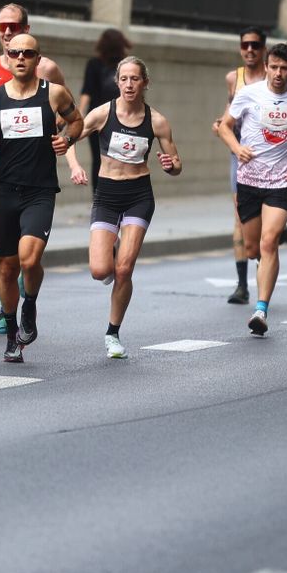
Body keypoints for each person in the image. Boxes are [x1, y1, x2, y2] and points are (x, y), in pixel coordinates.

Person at [0, 3, 86, 335]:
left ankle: (26, 300)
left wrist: (67, 147)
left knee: (26, 257)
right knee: (1, 251)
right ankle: (7, 312)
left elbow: (68, 119)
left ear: (27, 31)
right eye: (2, 27)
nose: (8, 33)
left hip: (37, 176)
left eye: (14, 27)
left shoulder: (49, 76)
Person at [74, 57, 182, 358]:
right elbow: (69, 137)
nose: (129, 84)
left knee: (123, 269)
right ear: (117, 82)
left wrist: (170, 165)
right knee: (100, 271)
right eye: (124, 79)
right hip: (107, 195)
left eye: (135, 79)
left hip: (138, 195)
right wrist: (74, 165)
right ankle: (115, 243)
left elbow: (176, 164)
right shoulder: (102, 113)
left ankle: (113, 333)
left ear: (144, 82)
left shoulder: (157, 121)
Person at [218, 42, 287, 336]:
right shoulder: (248, 94)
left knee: (269, 242)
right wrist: (238, 149)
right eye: (274, 67)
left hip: (281, 181)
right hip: (249, 180)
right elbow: (226, 126)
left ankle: (261, 310)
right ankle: (262, 268)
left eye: (284, 68)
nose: (278, 73)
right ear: (266, 67)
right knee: (252, 248)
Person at [214, 28, 268, 305]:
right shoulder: (234, 78)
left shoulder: (274, 76)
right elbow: (229, 112)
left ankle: (264, 276)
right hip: (240, 156)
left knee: (265, 222)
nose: (249, 50)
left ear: (263, 49)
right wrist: (221, 125)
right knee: (240, 216)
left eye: (255, 45)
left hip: (270, 158)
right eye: (245, 45)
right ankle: (241, 285)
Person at [79, 28, 131, 186]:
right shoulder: (128, 65)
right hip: (121, 118)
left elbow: (87, 91)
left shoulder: (94, 64)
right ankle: (118, 194)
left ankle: (99, 197)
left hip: (97, 118)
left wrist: (80, 114)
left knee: (98, 159)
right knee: (121, 159)